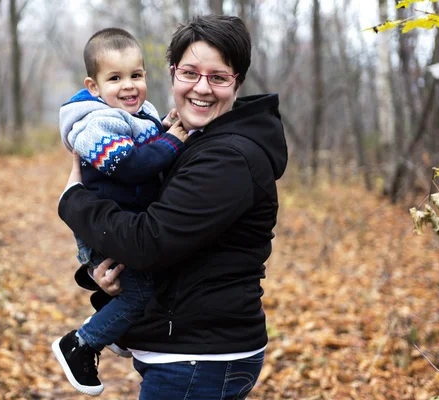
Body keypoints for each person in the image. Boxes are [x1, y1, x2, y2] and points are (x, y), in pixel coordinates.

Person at [58, 14, 288, 399]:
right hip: (190, 352)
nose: (202, 87)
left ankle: (85, 342)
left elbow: (149, 241)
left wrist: (73, 200)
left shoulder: (228, 158)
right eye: (190, 73)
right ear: (172, 73)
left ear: (238, 83)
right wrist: (104, 272)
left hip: (199, 357)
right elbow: (157, 225)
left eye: (218, 76)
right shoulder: (195, 138)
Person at [52, 27, 188, 397]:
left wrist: (166, 126)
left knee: (146, 287)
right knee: (138, 294)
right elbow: (128, 164)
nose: (129, 86)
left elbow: (145, 140)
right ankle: (82, 343)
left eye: (136, 75)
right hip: (106, 232)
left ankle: (120, 330)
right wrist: (173, 140)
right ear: (93, 86)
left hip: (125, 227)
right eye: (115, 78)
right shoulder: (97, 122)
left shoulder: (137, 113)